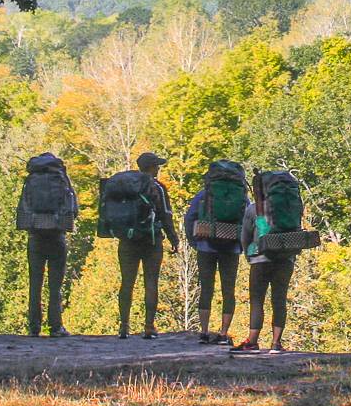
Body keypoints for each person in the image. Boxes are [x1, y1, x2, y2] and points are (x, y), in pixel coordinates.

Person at [117, 151, 179, 339]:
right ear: (151, 168)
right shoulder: (157, 188)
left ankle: (124, 326)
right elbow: (166, 215)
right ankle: (149, 326)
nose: (159, 168)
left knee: (127, 282)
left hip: (127, 240)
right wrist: (173, 238)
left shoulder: (125, 187)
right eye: (157, 166)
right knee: (151, 282)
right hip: (152, 241)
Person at [232, 182, 297, 354]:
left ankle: (252, 342)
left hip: (260, 259)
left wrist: (248, 256)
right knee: (279, 300)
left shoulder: (253, 209)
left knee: (257, 301)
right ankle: (276, 343)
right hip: (285, 259)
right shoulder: (290, 207)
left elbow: (244, 237)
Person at [183, 164, 244, 345]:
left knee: (206, 288)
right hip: (232, 247)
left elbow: (190, 217)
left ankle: (204, 331)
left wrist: (193, 241)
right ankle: (224, 334)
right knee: (229, 290)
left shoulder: (204, 194)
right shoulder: (240, 195)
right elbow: (249, 220)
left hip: (205, 245)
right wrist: (243, 244)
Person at [19, 152, 74, 338]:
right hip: (57, 236)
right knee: (55, 285)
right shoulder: (61, 178)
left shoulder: (31, 180)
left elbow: (23, 208)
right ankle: (55, 326)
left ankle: (34, 327)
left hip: (35, 237)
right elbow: (73, 209)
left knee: (35, 283)